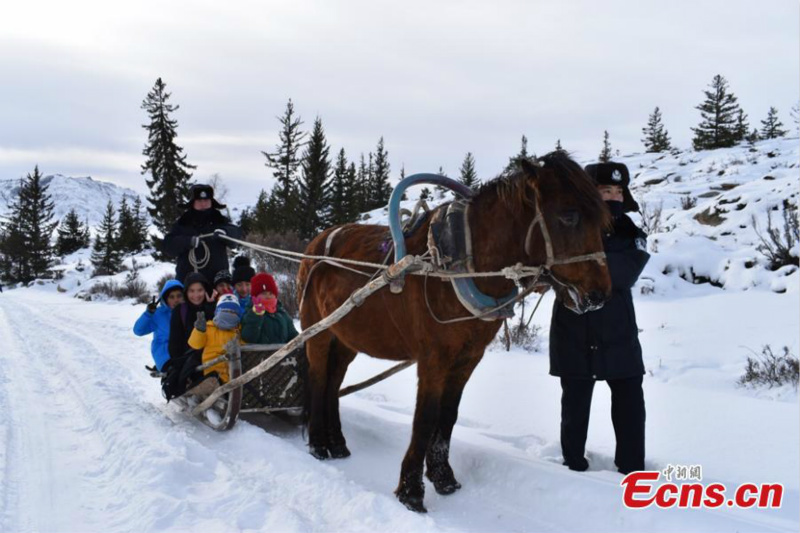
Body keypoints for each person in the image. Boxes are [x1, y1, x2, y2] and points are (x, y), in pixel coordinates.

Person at [549, 161, 650, 475]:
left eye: (618, 191)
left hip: (618, 333)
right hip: (574, 332)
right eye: (606, 191)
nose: (614, 197)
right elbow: (553, 269)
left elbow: (625, 273)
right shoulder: (564, 231)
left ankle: (632, 469)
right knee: (574, 407)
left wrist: (583, 266)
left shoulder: (631, 232)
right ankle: (573, 466)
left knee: (631, 404)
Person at [163, 183, 243, 284]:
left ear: (211, 201)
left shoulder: (220, 220)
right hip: (189, 284)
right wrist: (188, 241)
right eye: (199, 200)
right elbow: (168, 246)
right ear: (193, 202)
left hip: (217, 282)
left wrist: (225, 233)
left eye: (206, 200)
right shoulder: (183, 223)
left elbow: (235, 235)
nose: (203, 204)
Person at [161, 272, 215, 400]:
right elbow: (175, 341)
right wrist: (178, 364)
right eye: (191, 291)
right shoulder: (180, 310)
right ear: (186, 292)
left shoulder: (213, 307)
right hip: (188, 359)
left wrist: (210, 307)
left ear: (205, 290)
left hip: (211, 357)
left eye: (200, 290)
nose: (196, 295)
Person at [188, 293, 243, 386]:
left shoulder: (239, 331)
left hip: (234, 376)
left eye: (232, 312)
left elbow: (246, 346)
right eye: (225, 310)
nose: (228, 314)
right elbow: (195, 345)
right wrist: (199, 331)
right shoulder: (209, 327)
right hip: (211, 375)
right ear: (218, 312)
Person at [133, 279, 184, 371]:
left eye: (179, 296)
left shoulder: (187, 312)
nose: (176, 300)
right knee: (176, 374)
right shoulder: (158, 314)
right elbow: (138, 331)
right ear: (165, 299)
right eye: (171, 297)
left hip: (183, 352)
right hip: (164, 354)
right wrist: (148, 314)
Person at [241, 272, 299, 345]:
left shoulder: (282, 314)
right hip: (259, 352)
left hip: (284, 351)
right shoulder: (250, 313)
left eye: (271, 293)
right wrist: (256, 315)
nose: (268, 296)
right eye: (264, 293)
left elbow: (293, 335)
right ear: (255, 297)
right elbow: (248, 338)